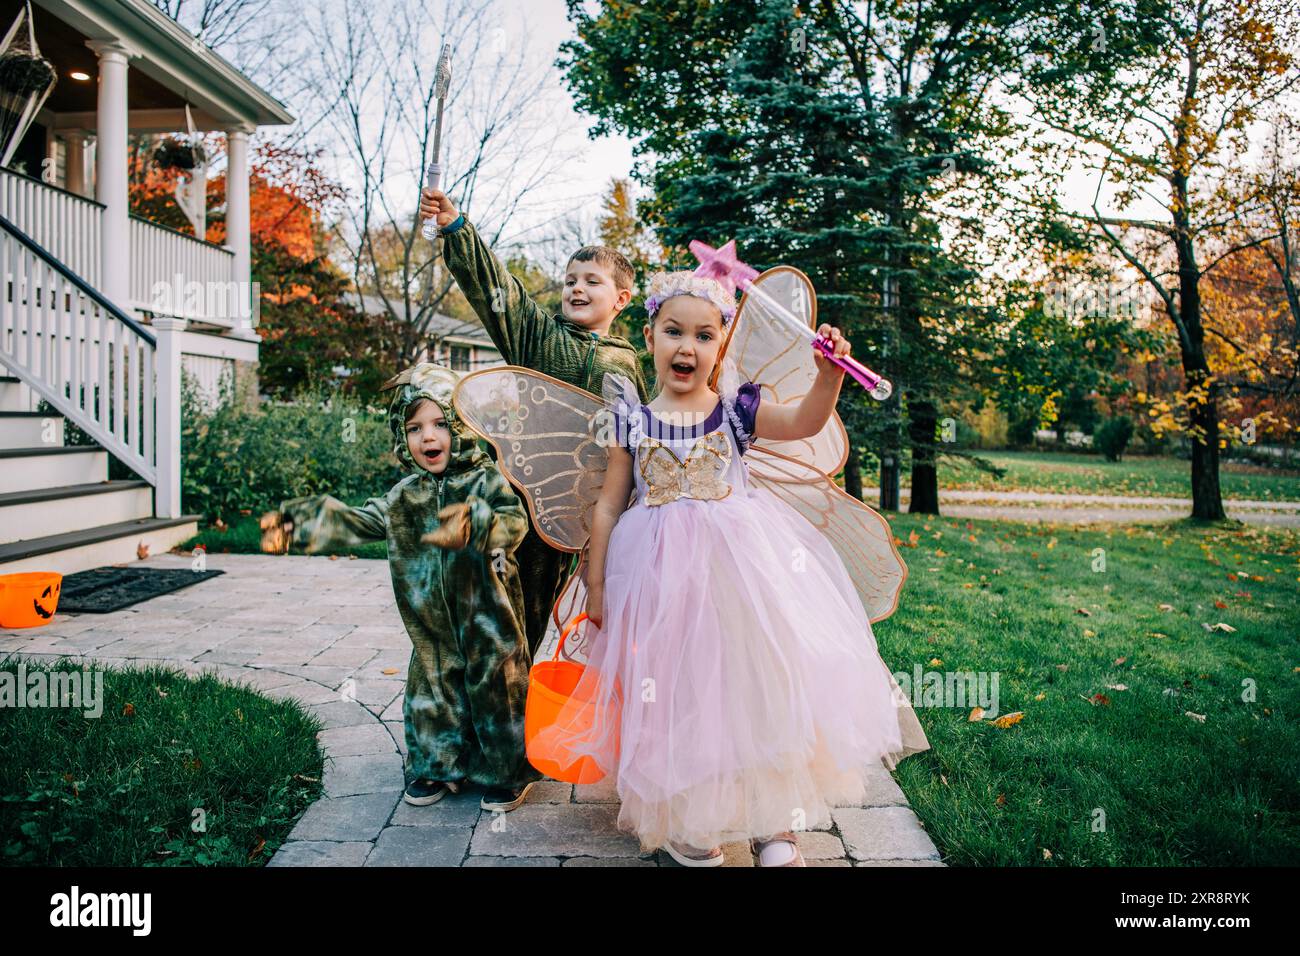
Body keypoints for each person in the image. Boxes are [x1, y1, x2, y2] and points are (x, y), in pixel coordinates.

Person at [530, 270, 932, 866]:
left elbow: (802, 423)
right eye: (673, 332)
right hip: (658, 581)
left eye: (703, 336)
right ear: (649, 336)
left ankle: (776, 823)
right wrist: (594, 583)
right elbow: (611, 503)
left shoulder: (736, 410)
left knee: (755, 685)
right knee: (678, 693)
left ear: (720, 345)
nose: (686, 347)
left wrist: (828, 380)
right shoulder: (631, 419)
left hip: (740, 572)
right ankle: (696, 813)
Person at [259, 363, 542, 811]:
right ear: (401, 436)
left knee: (498, 690)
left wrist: (477, 523)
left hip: (488, 617)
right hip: (432, 623)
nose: (428, 437)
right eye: (414, 428)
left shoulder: (488, 480)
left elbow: (514, 523)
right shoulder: (404, 496)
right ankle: (438, 767)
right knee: (432, 690)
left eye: (440, 424)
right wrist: (300, 522)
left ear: (463, 426)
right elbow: (361, 518)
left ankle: (508, 772)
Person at [418, 188, 650, 657]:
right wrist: (457, 229)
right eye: (569, 281)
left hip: (579, 524)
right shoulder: (538, 336)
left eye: (591, 281)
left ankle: (517, 705)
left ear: (621, 299)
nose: (576, 289)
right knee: (494, 615)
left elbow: (638, 443)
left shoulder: (628, 365)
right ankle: (475, 696)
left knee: (536, 622)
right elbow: (495, 289)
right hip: (519, 508)